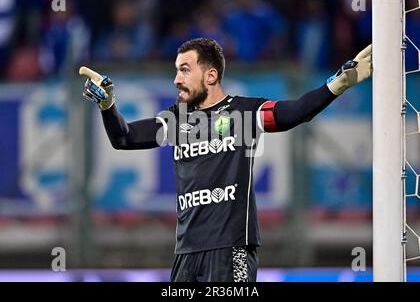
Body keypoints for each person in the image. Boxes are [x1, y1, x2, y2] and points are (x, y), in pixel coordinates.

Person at [79, 38, 372, 282]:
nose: (176, 79)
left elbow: (293, 113)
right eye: (176, 71)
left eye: (184, 70)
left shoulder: (243, 113)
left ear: (211, 75)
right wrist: (108, 106)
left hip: (232, 248)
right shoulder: (175, 120)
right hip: (187, 252)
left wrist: (337, 84)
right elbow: (124, 138)